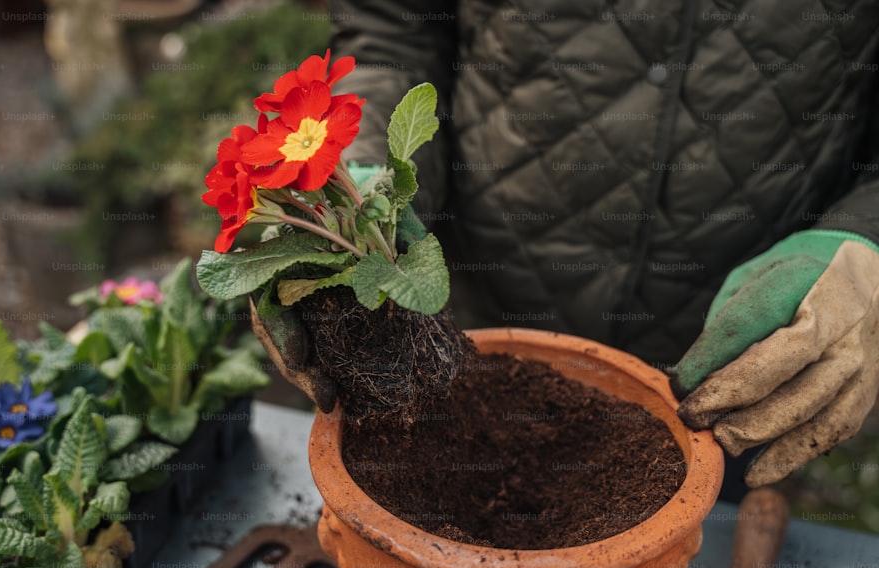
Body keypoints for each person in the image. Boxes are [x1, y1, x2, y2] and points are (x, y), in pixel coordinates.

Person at [325, 1, 879, 501]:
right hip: (475, 315)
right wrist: (371, 176)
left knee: (700, 544)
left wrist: (862, 242)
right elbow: (390, 29)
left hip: (742, 348)